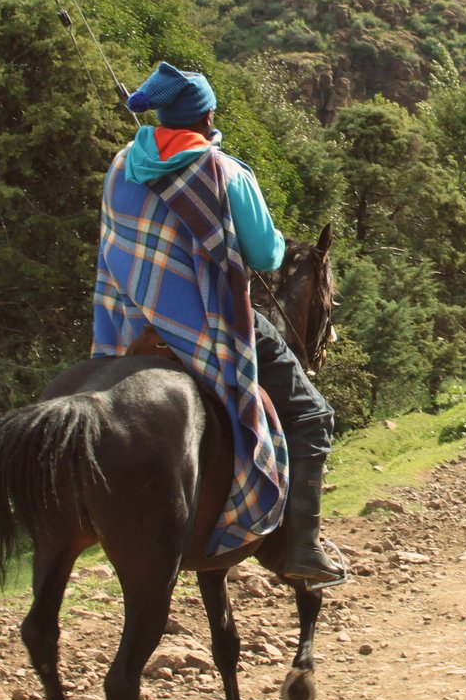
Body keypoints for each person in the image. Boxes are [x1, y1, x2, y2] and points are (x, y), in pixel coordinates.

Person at [92, 61, 345, 588]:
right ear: (208, 116)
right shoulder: (225, 171)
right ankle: (301, 546)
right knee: (311, 414)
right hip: (204, 325)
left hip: (130, 323)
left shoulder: (120, 165)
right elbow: (267, 255)